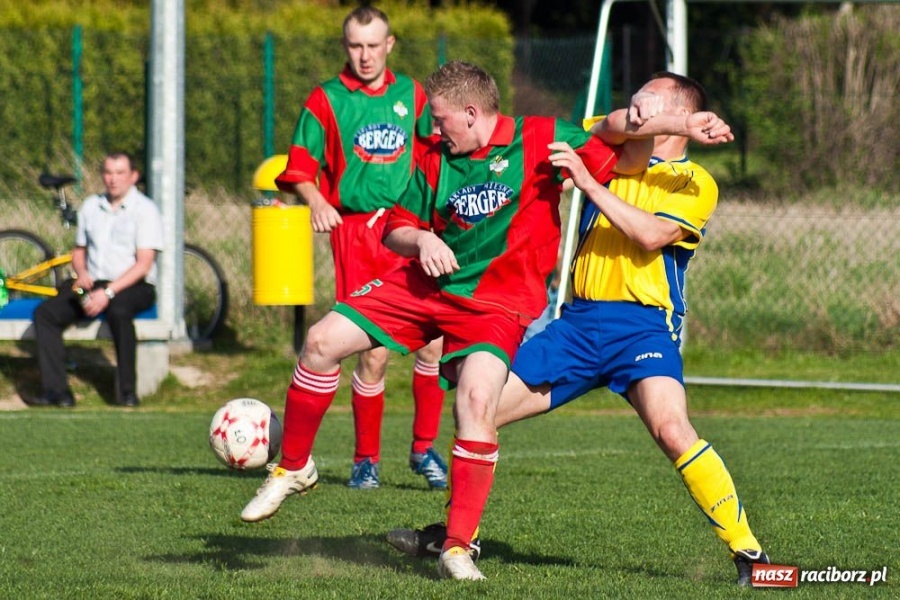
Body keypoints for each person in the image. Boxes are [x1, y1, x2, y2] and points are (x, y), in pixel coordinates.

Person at [241, 60, 734, 581]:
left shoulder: (543, 139)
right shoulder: (436, 155)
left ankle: (457, 546)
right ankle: (293, 467)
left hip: (507, 305)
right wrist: (424, 239)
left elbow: (622, 143)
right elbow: (396, 230)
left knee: (483, 401)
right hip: (432, 286)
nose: (432, 130)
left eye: (440, 119)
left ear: (472, 113)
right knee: (320, 341)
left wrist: (681, 126)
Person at [385, 73, 769, 586]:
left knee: (674, 431)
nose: (632, 113)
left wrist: (587, 183)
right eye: (632, 105)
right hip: (578, 325)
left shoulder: (694, 182)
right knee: (479, 409)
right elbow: (577, 130)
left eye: (644, 105)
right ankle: (456, 536)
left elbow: (651, 234)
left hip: (643, 329)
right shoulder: (609, 144)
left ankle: (751, 556)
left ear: (679, 116)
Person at [273, 6, 448, 490]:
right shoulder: (327, 99)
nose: (365, 55)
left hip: (410, 227)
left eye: (374, 45)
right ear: (344, 46)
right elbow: (299, 167)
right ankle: (365, 459)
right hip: (357, 233)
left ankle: (423, 448)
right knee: (373, 352)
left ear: (390, 45)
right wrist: (315, 201)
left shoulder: (411, 94)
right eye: (355, 45)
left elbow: (436, 154)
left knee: (433, 339)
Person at [28, 152, 163, 408]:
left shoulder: (145, 210)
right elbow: (79, 251)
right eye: (108, 173)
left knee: (119, 312)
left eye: (120, 173)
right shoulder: (91, 205)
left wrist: (108, 293)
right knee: (46, 314)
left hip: (132, 285)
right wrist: (81, 274)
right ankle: (58, 393)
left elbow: (144, 264)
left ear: (133, 176)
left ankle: (126, 393)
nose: (113, 179)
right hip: (92, 282)